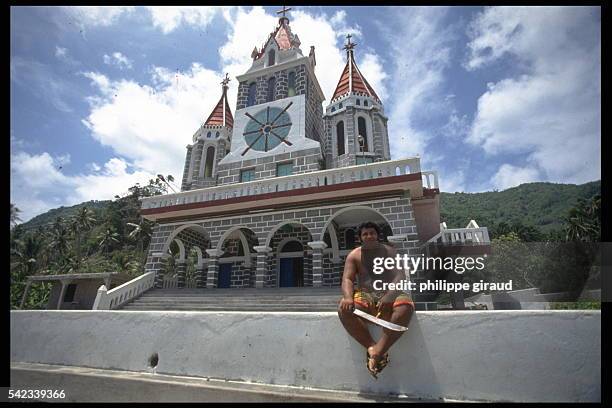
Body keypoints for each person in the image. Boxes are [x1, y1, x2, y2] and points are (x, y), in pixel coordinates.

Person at [337, 221, 415, 379]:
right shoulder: (354, 255)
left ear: (377, 235)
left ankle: (378, 351)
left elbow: (400, 276)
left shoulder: (390, 252)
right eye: (365, 234)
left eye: (372, 233)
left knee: (405, 307)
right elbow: (348, 279)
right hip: (365, 295)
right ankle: (373, 348)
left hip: (390, 292)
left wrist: (389, 296)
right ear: (360, 238)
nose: (369, 236)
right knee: (343, 310)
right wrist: (347, 297)